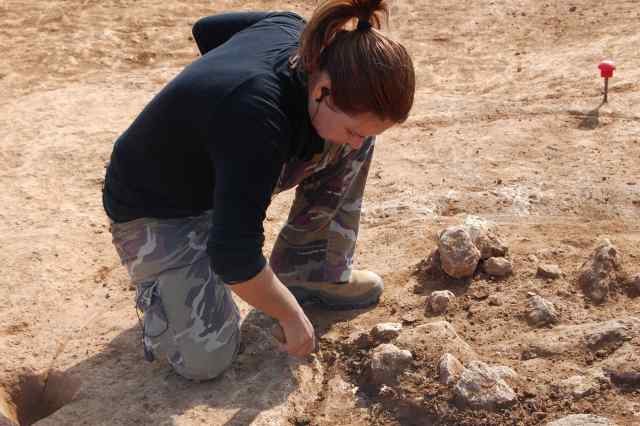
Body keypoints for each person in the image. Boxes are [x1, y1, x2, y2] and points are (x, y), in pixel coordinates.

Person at [102, 0, 415, 381]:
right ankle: (170, 282)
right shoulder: (256, 117)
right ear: (323, 90)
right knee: (206, 359)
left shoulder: (302, 38)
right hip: (156, 209)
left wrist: (215, 122)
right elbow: (234, 256)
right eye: (353, 129)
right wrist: (289, 314)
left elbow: (206, 29)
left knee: (352, 143)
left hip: (227, 165)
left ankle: (309, 267)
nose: (355, 142)